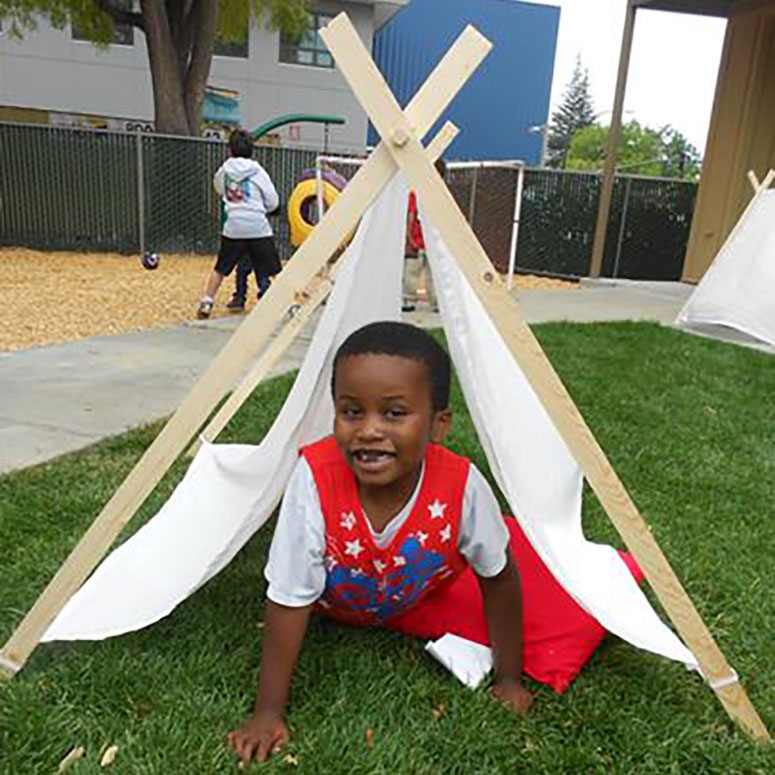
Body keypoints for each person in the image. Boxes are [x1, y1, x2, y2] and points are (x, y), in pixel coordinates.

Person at [228, 321, 532, 764]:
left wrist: (509, 678)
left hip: (414, 601)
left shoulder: (462, 485)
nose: (369, 430)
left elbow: (499, 577)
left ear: (438, 424)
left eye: (393, 413)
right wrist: (267, 712)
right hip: (331, 606)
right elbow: (289, 598)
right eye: (352, 411)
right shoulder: (314, 477)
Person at [197, 129, 281, 319]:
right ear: (252, 150)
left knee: (221, 268)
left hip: (234, 226)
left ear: (229, 150)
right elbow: (272, 200)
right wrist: (262, 208)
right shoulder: (258, 172)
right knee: (275, 270)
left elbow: (218, 187)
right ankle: (290, 305)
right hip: (257, 226)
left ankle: (207, 301)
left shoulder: (224, 171)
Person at [403, 159, 445, 313]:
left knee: (433, 274)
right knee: (411, 272)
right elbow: (411, 215)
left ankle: (435, 302)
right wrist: (409, 238)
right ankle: (408, 299)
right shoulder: (416, 194)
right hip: (417, 239)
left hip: (432, 241)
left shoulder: (441, 195)